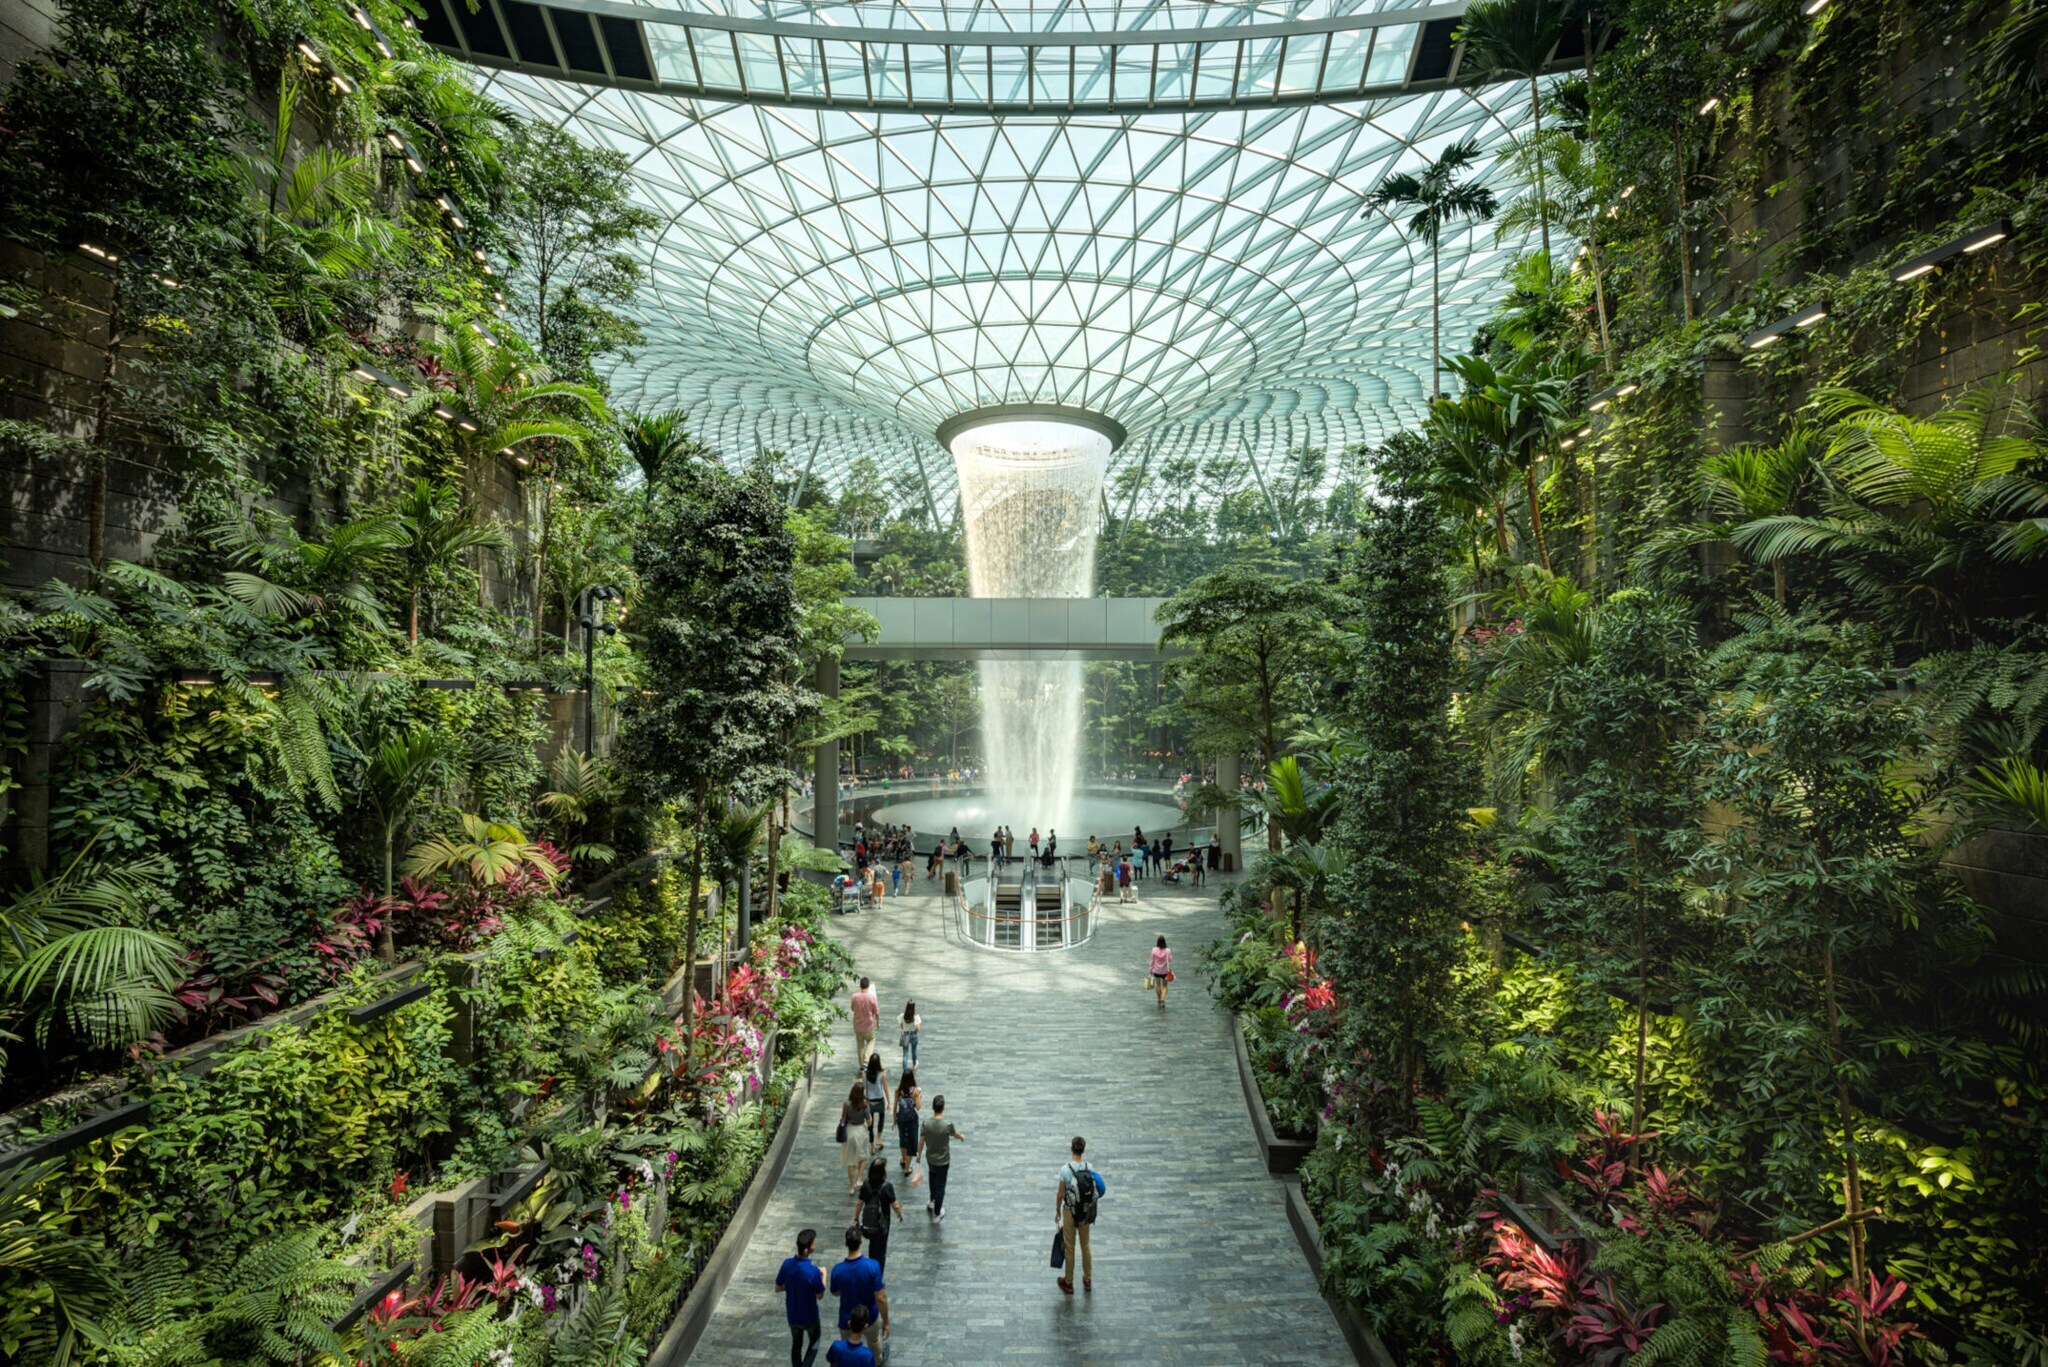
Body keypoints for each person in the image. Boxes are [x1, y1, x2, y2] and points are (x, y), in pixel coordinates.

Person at [829, 1228, 888, 1359]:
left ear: (846, 1244)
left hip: (847, 1318)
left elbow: (835, 1292)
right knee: (874, 1343)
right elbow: (881, 1297)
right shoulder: (872, 1266)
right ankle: (876, 1361)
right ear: (861, 1242)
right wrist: (886, 1321)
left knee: (847, 1351)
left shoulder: (838, 1270)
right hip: (870, 1317)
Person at [1055, 1135, 1100, 1295]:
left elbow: (1060, 1194)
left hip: (1070, 1211)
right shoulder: (1090, 1167)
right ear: (1083, 1150)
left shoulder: (1065, 1170)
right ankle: (1087, 1279)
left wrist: (1057, 1211)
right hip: (1086, 1211)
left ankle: (1068, 1282)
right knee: (1085, 1245)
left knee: (1070, 1247)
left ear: (1071, 1149)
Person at [777, 1228, 826, 1367]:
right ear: (807, 1250)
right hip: (809, 1316)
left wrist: (792, 1286)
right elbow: (819, 1295)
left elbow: (778, 1287)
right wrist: (824, 1276)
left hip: (792, 1314)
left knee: (796, 1344)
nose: (815, 1244)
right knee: (815, 1340)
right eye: (813, 1243)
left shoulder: (787, 1264)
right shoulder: (813, 1272)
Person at [918, 1095, 966, 1222]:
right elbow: (954, 1134)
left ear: (933, 1107)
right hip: (943, 1161)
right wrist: (961, 1136)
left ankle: (932, 1200)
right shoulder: (947, 1125)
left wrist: (918, 1156)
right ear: (943, 1108)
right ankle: (937, 1213)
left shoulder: (926, 1124)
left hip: (930, 1159)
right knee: (941, 1186)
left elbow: (921, 1141)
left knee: (932, 1178)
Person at [855, 1157, 903, 1275]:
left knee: (872, 1247)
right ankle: (878, 1276)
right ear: (882, 1171)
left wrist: (856, 1217)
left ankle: (871, 1271)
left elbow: (859, 1203)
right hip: (882, 1222)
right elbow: (895, 1205)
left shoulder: (866, 1184)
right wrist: (900, 1215)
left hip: (869, 1222)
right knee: (881, 1251)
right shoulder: (887, 1186)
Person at [893, 1067, 923, 1185]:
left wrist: (894, 1120)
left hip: (901, 1118)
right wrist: (919, 1096)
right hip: (911, 1120)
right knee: (912, 1142)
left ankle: (904, 1159)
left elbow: (896, 1106)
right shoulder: (915, 1091)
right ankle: (907, 1168)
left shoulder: (898, 1090)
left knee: (903, 1139)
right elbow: (918, 1107)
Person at [839, 1083, 870, 1194]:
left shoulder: (846, 1104)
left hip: (849, 1132)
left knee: (851, 1161)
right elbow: (869, 1122)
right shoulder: (865, 1104)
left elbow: (843, 1119)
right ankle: (859, 1178)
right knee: (863, 1156)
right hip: (861, 1131)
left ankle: (852, 1187)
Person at [863, 1053, 891, 1149]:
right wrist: (889, 1102)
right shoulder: (882, 1073)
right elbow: (886, 1088)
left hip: (869, 1100)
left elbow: (864, 1088)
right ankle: (879, 1138)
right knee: (881, 1118)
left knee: (870, 1122)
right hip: (880, 1099)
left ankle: (872, 1145)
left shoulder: (865, 1073)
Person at [851, 978, 879, 1072]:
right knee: (871, 1040)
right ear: (868, 986)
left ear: (860, 986)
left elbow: (852, 1008)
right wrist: (878, 1022)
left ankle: (862, 1066)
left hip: (857, 1025)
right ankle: (866, 1060)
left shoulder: (854, 996)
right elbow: (876, 1012)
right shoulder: (872, 997)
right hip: (868, 1025)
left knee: (860, 1045)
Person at [897, 1002, 921, 1075]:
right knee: (913, 1050)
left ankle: (905, 1070)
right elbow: (918, 1028)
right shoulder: (916, 1017)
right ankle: (914, 1064)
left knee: (905, 1053)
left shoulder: (902, 1016)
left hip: (905, 1034)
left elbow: (901, 1026)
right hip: (913, 1035)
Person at [1150, 935, 1173, 1008]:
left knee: (1158, 985)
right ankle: (1163, 999)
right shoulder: (1168, 950)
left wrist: (1150, 969)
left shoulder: (1154, 950)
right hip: (1165, 971)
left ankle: (1159, 999)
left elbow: (1152, 960)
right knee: (1165, 986)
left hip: (1156, 970)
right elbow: (1170, 960)